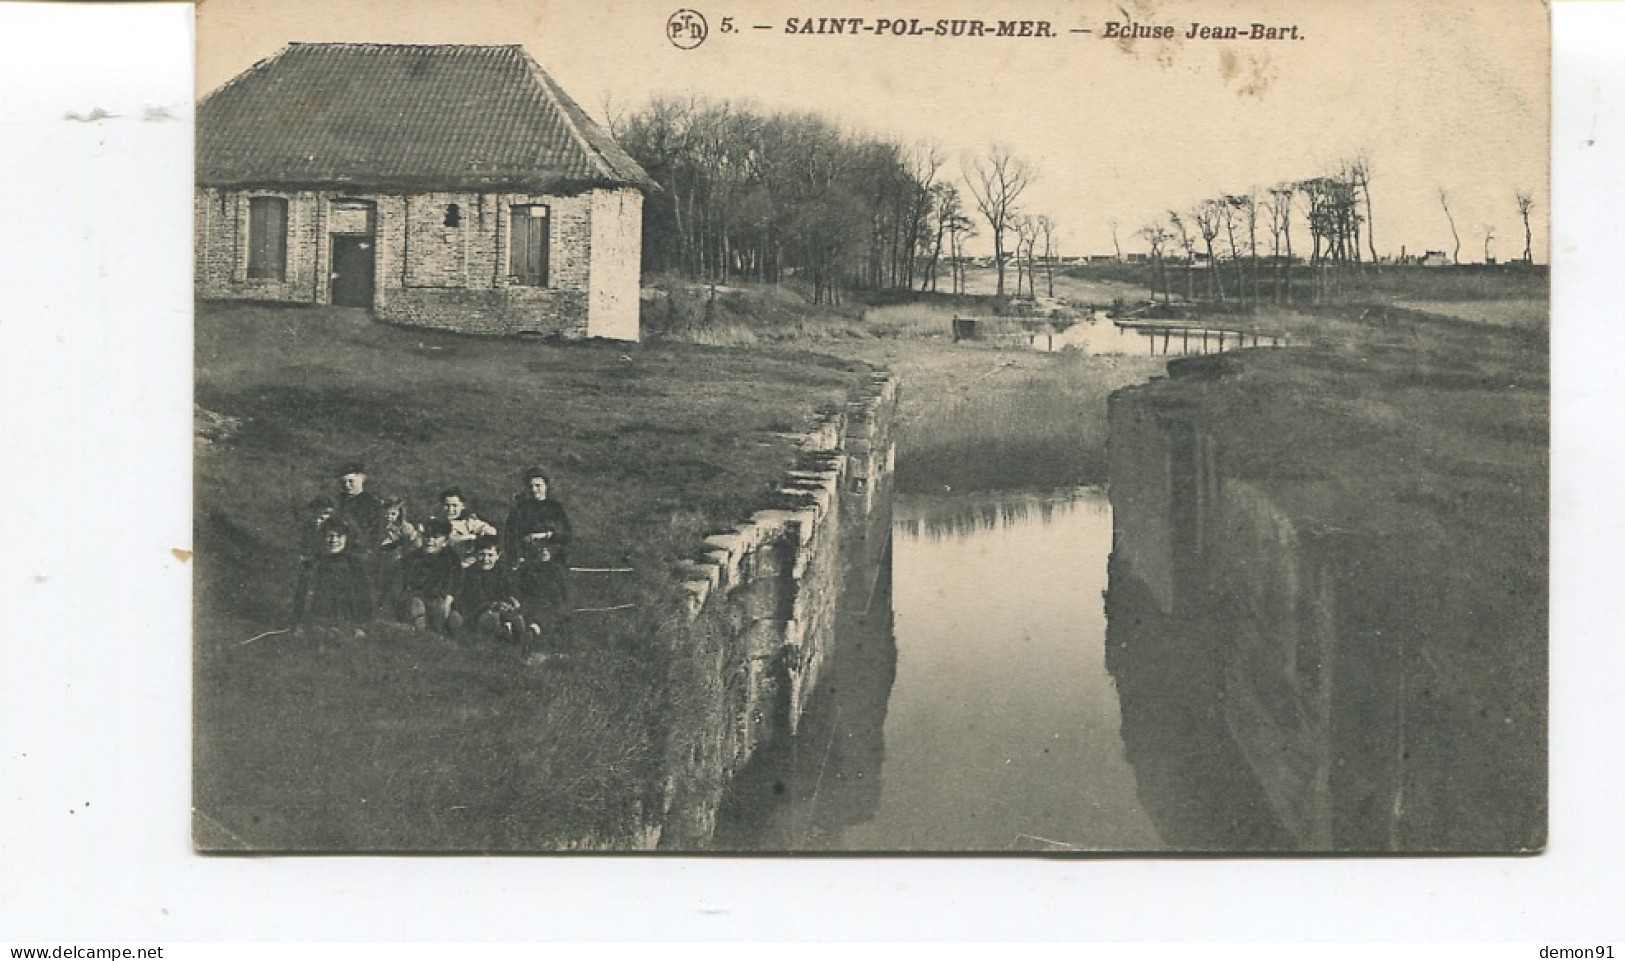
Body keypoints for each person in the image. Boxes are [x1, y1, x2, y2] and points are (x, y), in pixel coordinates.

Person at [503, 467, 573, 645]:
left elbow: (566, 536)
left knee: (555, 595)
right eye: (531, 486)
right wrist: (517, 557)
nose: (534, 489)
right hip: (529, 561)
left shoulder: (555, 508)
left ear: (546, 486)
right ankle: (526, 629)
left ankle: (542, 631)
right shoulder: (521, 509)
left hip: (553, 561)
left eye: (538, 485)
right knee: (530, 594)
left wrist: (548, 538)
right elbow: (510, 537)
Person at [291, 517, 375, 639]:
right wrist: (299, 624)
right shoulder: (314, 563)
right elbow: (302, 596)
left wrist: (362, 626)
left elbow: (363, 597)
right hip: (318, 616)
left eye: (339, 536)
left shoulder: (354, 565)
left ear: (347, 538)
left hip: (346, 618)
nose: (333, 540)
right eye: (329, 536)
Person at [454, 535, 527, 644]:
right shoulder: (469, 574)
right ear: (475, 554)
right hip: (476, 613)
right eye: (481, 555)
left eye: (490, 555)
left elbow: (512, 590)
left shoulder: (503, 573)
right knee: (492, 619)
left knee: (517, 619)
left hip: (502, 610)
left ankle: (520, 648)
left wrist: (513, 600)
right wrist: (493, 605)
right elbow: (472, 599)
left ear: (498, 556)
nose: (486, 559)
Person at [398, 518, 462, 634]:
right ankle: (420, 633)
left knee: (451, 617)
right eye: (427, 536)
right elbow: (405, 584)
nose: (429, 541)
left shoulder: (452, 559)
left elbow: (453, 585)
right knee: (416, 606)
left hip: (441, 600)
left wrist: (447, 601)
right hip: (418, 598)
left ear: (445, 541)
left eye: (435, 537)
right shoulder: (412, 558)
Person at [333, 461, 386, 560]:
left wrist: (369, 552)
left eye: (351, 481)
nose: (347, 485)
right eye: (343, 482)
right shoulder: (336, 501)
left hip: (361, 554)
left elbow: (378, 533)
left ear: (362, 479)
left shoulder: (373, 503)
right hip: (338, 551)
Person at [437, 487, 497, 566]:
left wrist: (474, 538)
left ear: (462, 506)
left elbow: (491, 531)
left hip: (466, 565)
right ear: (440, 505)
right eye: (446, 505)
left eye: (455, 505)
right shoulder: (434, 523)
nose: (450, 509)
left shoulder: (469, 523)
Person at [299, 495, 338, 561]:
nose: (321, 516)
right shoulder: (306, 530)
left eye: (326, 513)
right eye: (316, 512)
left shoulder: (338, 531)